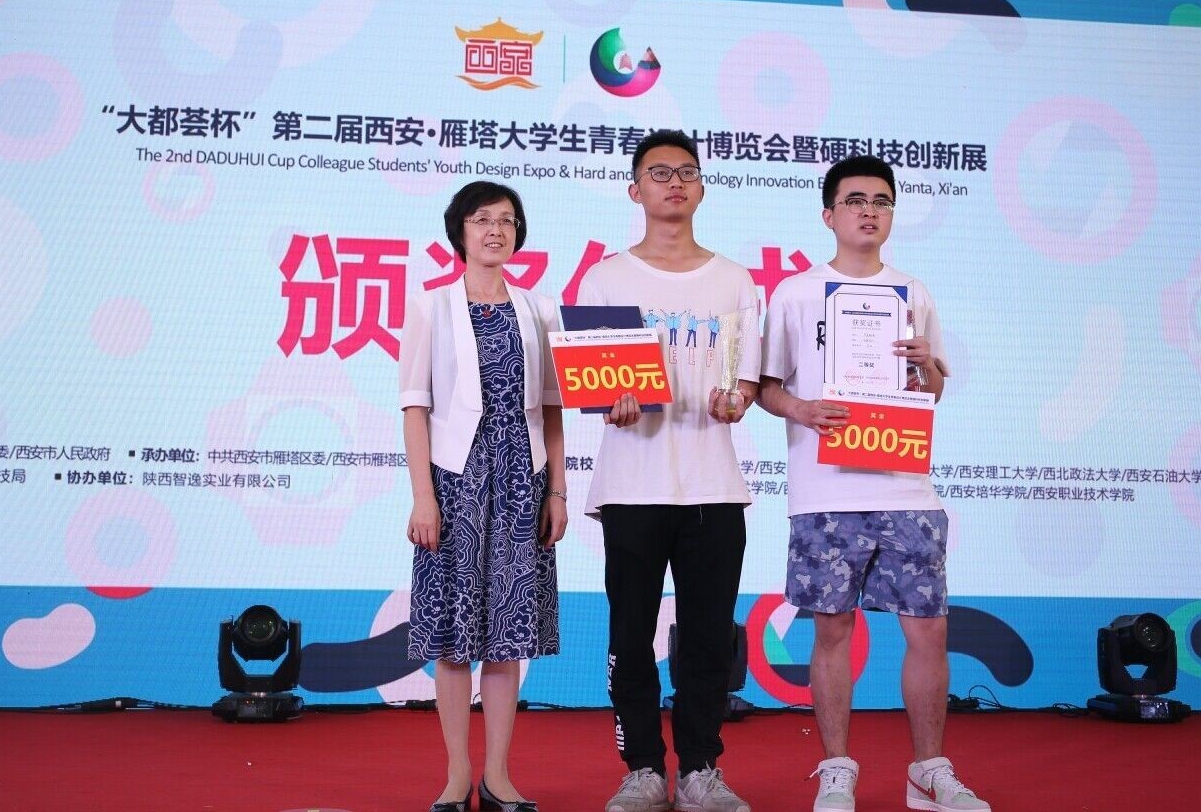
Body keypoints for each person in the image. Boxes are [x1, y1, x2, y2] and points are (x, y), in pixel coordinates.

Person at [757, 155, 990, 812]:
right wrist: (802, 409)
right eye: (855, 200)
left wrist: (925, 369)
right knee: (832, 630)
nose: (869, 211)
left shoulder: (912, 292)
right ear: (828, 214)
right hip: (825, 492)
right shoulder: (796, 293)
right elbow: (766, 387)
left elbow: (932, 389)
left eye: (881, 201)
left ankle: (928, 771)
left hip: (905, 488)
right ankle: (836, 769)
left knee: (928, 632)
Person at [578, 129, 761, 812]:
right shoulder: (606, 278)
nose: (674, 182)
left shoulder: (734, 280)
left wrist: (736, 400)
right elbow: (594, 382)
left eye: (686, 171)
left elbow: (744, 379)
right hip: (632, 487)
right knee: (630, 637)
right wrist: (613, 401)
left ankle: (700, 771)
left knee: (709, 638)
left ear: (702, 188)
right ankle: (643, 771)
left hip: (713, 485)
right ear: (635, 190)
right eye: (659, 173)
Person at [399, 181, 568, 812]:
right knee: (453, 636)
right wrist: (423, 497)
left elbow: (552, 408)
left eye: (507, 220)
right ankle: (455, 775)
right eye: (482, 219)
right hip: (454, 483)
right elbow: (414, 406)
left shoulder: (539, 310)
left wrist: (557, 490)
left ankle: (497, 777)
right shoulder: (431, 307)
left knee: (506, 636)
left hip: (522, 482)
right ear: (460, 232)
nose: (495, 230)